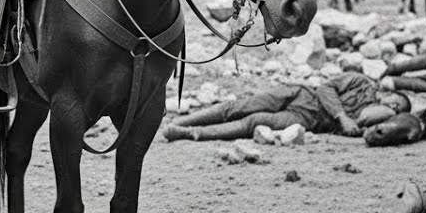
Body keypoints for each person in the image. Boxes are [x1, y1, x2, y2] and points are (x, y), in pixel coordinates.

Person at [163, 72, 411, 142]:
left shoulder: (373, 116)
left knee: (254, 122)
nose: (393, 105)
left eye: (397, 108)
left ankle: (188, 133)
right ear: (389, 91)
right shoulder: (361, 81)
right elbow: (326, 88)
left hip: (307, 119)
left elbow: (371, 135)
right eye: (396, 101)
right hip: (300, 93)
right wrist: (342, 116)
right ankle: (183, 121)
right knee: (240, 106)